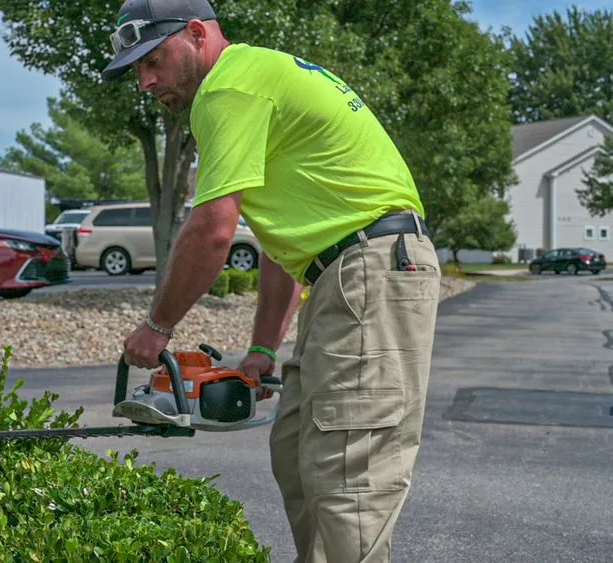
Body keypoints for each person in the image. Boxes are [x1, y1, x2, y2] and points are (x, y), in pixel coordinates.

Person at [103, 1, 442, 561]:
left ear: (195, 33)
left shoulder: (226, 91)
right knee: (295, 450)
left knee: (347, 474)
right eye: (137, 70)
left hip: (372, 271)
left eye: (153, 60)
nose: (145, 81)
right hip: (346, 272)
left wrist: (156, 326)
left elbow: (213, 231)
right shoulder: (255, 77)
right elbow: (281, 245)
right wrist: (262, 348)